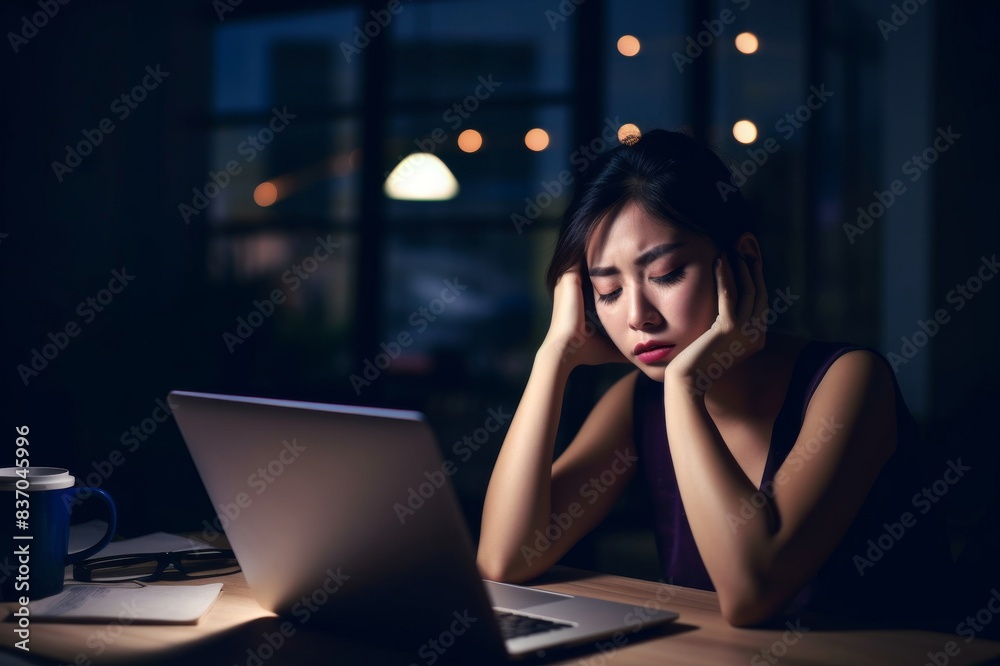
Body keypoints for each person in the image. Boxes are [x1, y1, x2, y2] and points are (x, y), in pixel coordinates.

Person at [476, 129, 953, 627]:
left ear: (744, 260)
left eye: (665, 274)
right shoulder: (635, 401)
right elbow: (505, 560)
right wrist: (553, 357)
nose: (638, 315)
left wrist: (685, 387)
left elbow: (753, 593)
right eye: (609, 291)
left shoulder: (851, 380)